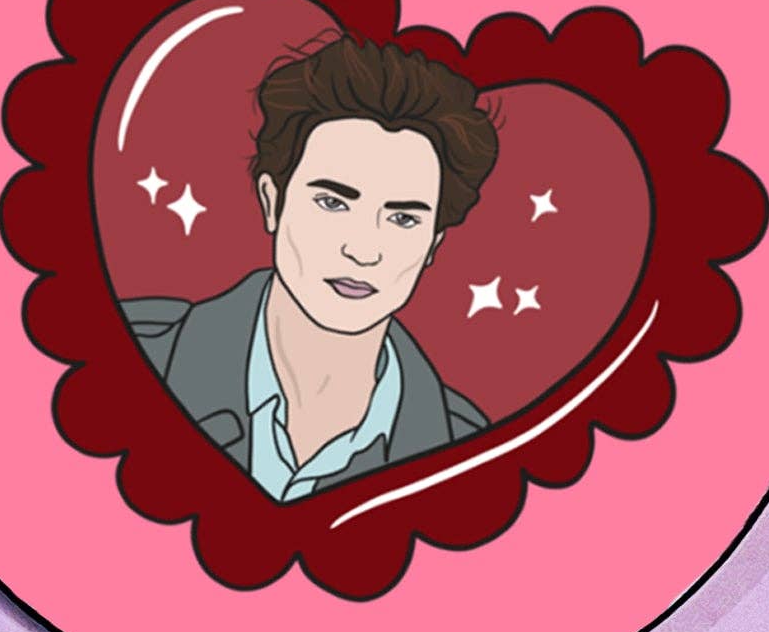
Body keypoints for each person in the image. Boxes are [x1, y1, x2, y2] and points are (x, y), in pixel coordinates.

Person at [125, 34, 498, 500]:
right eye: (332, 202)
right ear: (272, 201)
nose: (364, 250)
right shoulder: (132, 355)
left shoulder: (466, 450)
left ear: (432, 246)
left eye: (403, 219)